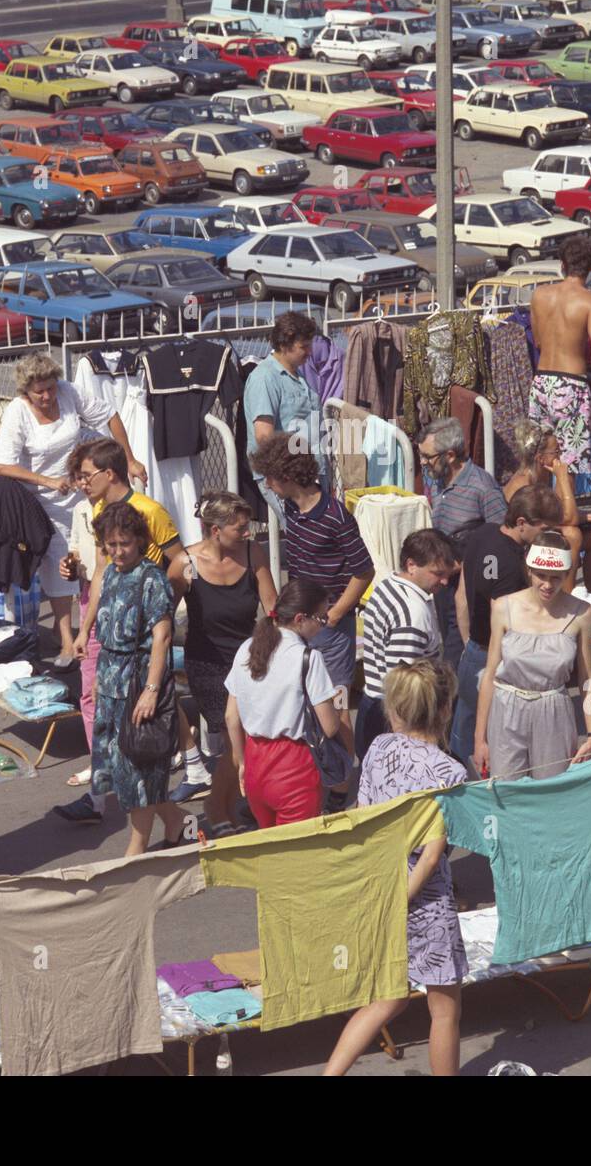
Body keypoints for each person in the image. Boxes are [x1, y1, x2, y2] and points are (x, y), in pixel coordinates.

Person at [324, 660, 466, 1077]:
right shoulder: (448, 771)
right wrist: (402, 900)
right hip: (427, 903)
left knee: (387, 999)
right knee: (444, 1010)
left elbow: (364, 817)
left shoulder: (379, 748)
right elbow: (433, 854)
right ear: (444, 710)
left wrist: (383, 899)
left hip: (377, 885)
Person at [0, 353, 146, 663]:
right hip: (39, 500)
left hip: (79, 491)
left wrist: (129, 458)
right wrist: (47, 481)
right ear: (26, 391)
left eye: (50, 388)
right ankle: (65, 638)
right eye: (40, 392)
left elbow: (110, 415)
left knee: (93, 560)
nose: (47, 396)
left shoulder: (69, 392)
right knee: (59, 567)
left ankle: (96, 627)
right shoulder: (17, 412)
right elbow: (1, 465)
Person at [59, 438, 185, 818]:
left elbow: (180, 561)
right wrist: (85, 628)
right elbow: (101, 573)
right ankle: (100, 797)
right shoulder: (100, 510)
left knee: (145, 716)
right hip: (109, 626)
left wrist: (163, 604)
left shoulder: (149, 511)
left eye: (85, 475)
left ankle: (165, 793)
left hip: (142, 635)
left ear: (108, 473)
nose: (81, 483)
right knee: (97, 703)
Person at [167, 492, 277, 832]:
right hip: (207, 663)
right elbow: (163, 618)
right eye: (240, 528)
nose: (247, 533)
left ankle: (232, 805)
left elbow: (272, 610)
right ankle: (218, 808)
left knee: (247, 740)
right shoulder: (185, 563)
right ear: (215, 530)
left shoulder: (252, 553)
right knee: (234, 740)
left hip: (249, 659)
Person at [87, 499, 190, 855]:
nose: (117, 551)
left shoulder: (152, 579)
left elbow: (161, 636)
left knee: (139, 769)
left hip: (140, 684)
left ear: (140, 540)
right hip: (113, 683)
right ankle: (176, 821)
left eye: (124, 543)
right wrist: (101, 677)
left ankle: (136, 850)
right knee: (121, 766)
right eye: (111, 544)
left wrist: (150, 690)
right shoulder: (113, 574)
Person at [249, 432, 373, 707]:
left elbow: (364, 571)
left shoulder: (337, 517)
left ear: (288, 476)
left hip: (330, 630)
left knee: (335, 709)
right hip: (298, 623)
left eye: (270, 477)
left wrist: (335, 614)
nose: (267, 484)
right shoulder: (291, 507)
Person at [224, 579, 352, 827]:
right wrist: (338, 705)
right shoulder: (308, 658)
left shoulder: (246, 648)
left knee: (270, 848)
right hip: (294, 768)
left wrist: (242, 763)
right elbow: (329, 727)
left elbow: (231, 717)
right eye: (321, 619)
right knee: (296, 857)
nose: (323, 625)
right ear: (300, 618)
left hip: (254, 762)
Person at [474, 532, 591, 782]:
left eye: (556, 577)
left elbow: (588, 677)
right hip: (507, 708)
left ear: (567, 574)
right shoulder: (503, 606)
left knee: (553, 793)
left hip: (553, 710)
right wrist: (480, 739)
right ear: (529, 571)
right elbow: (490, 674)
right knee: (507, 792)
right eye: (541, 576)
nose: (547, 585)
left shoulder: (581, 612)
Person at [452, 485, 564, 766]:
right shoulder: (514, 565)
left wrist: (468, 644)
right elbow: (504, 626)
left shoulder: (481, 534)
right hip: (495, 664)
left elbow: (461, 597)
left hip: (472, 654)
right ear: (523, 523)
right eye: (545, 529)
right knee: (491, 752)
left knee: (462, 739)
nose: (551, 536)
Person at [356, 528, 456, 763]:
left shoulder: (386, 586)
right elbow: (404, 689)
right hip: (394, 723)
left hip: (372, 707)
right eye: (437, 573)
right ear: (412, 565)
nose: (444, 581)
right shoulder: (413, 613)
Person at [418, 416, 506, 672]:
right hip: (443, 583)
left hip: (470, 586)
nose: (423, 462)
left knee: (457, 657)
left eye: (428, 457)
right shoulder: (438, 478)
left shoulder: (483, 487)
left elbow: (500, 540)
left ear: (450, 455)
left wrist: (466, 566)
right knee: (447, 644)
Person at [527, 233, 591, 482]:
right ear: (590, 268)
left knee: (540, 455)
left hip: (542, 382)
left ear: (562, 265)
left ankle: (540, 514)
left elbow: (539, 341)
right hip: (572, 384)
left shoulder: (540, 295)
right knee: (569, 463)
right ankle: (566, 516)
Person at [504, 421, 591, 595]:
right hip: (524, 538)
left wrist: (562, 480)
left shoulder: (543, 474)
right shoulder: (524, 482)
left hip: (542, 528)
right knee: (572, 535)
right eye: (556, 452)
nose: (560, 456)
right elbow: (568, 518)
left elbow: (561, 512)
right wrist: (561, 477)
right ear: (540, 458)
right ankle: (565, 598)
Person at [243, 310, 324, 524]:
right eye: (303, 346)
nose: (309, 351)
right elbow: (264, 436)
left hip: (305, 473)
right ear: (285, 344)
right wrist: (290, 477)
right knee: (306, 536)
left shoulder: (296, 374)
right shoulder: (265, 378)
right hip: (287, 477)